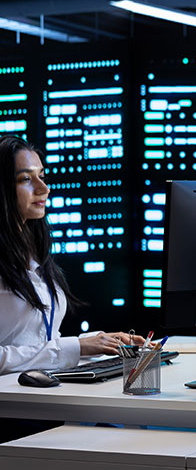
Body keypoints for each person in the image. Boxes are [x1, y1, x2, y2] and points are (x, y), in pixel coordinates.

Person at [0, 135, 142, 432]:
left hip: (42, 398)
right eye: (26, 179)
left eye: (42, 176)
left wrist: (101, 344)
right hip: (12, 412)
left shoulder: (33, 253)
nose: (43, 188)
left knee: (130, 433)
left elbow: (38, 338)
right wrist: (75, 347)